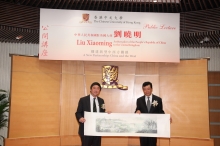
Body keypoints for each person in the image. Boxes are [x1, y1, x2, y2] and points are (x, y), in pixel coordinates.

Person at [75, 82, 105, 146]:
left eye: (98, 88)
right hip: (86, 128)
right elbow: (78, 112)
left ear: (99, 91)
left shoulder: (101, 101)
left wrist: (107, 114)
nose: (96, 90)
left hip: (97, 129)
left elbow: (102, 113)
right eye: (94, 88)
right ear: (90, 89)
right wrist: (80, 118)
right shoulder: (83, 100)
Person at [135, 81, 165, 146]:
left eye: (148, 89)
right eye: (144, 89)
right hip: (143, 128)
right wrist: (137, 111)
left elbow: (161, 112)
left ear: (151, 89)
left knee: (153, 144)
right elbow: (137, 110)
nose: (146, 91)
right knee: (143, 144)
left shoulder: (158, 99)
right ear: (143, 90)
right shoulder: (139, 100)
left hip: (153, 128)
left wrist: (167, 118)